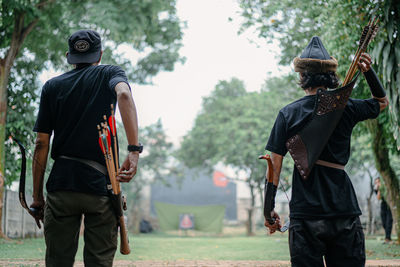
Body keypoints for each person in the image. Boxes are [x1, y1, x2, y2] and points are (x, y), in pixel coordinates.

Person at [264, 36, 389, 267]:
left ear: (302, 76)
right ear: (330, 76)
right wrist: (369, 72)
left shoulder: (287, 113)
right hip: (343, 210)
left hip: (305, 213)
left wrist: (268, 208)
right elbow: (381, 102)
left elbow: (274, 165)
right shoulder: (347, 107)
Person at [30, 29, 142, 267]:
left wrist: (37, 197)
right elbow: (124, 95)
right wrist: (134, 150)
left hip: (62, 187)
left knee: (57, 261)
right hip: (100, 186)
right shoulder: (110, 73)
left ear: (69, 55)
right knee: (99, 262)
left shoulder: (52, 86)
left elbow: (41, 143)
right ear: (100, 54)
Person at [374, 177, 393, 243]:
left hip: (390, 204)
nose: (377, 183)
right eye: (376, 182)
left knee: (389, 222)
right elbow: (378, 198)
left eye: (378, 181)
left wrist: (382, 187)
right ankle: (388, 237)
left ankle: (387, 238)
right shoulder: (377, 189)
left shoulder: (386, 187)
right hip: (383, 205)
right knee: (384, 222)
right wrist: (379, 189)